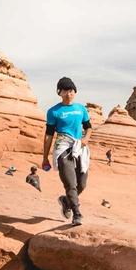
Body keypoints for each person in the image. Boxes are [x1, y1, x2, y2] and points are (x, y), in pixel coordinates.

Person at [42, 77, 92, 226]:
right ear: (59, 92)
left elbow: (88, 127)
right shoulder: (53, 111)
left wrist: (86, 138)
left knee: (81, 184)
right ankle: (77, 214)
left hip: (79, 146)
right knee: (70, 183)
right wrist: (45, 157)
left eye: (71, 91)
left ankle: (66, 201)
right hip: (63, 146)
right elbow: (49, 135)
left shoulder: (81, 109)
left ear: (75, 92)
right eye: (65, 91)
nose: (69, 94)